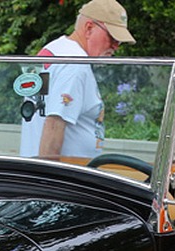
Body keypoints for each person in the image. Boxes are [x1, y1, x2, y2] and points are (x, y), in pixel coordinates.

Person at [19, 0, 135, 160]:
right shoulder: (75, 64)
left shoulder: (55, 49)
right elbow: (54, 124)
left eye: (119, 41)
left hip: (36, 166)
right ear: (89, 28)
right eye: (112, 37)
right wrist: (46, 173)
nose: (116, 46)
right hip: (65, 172)